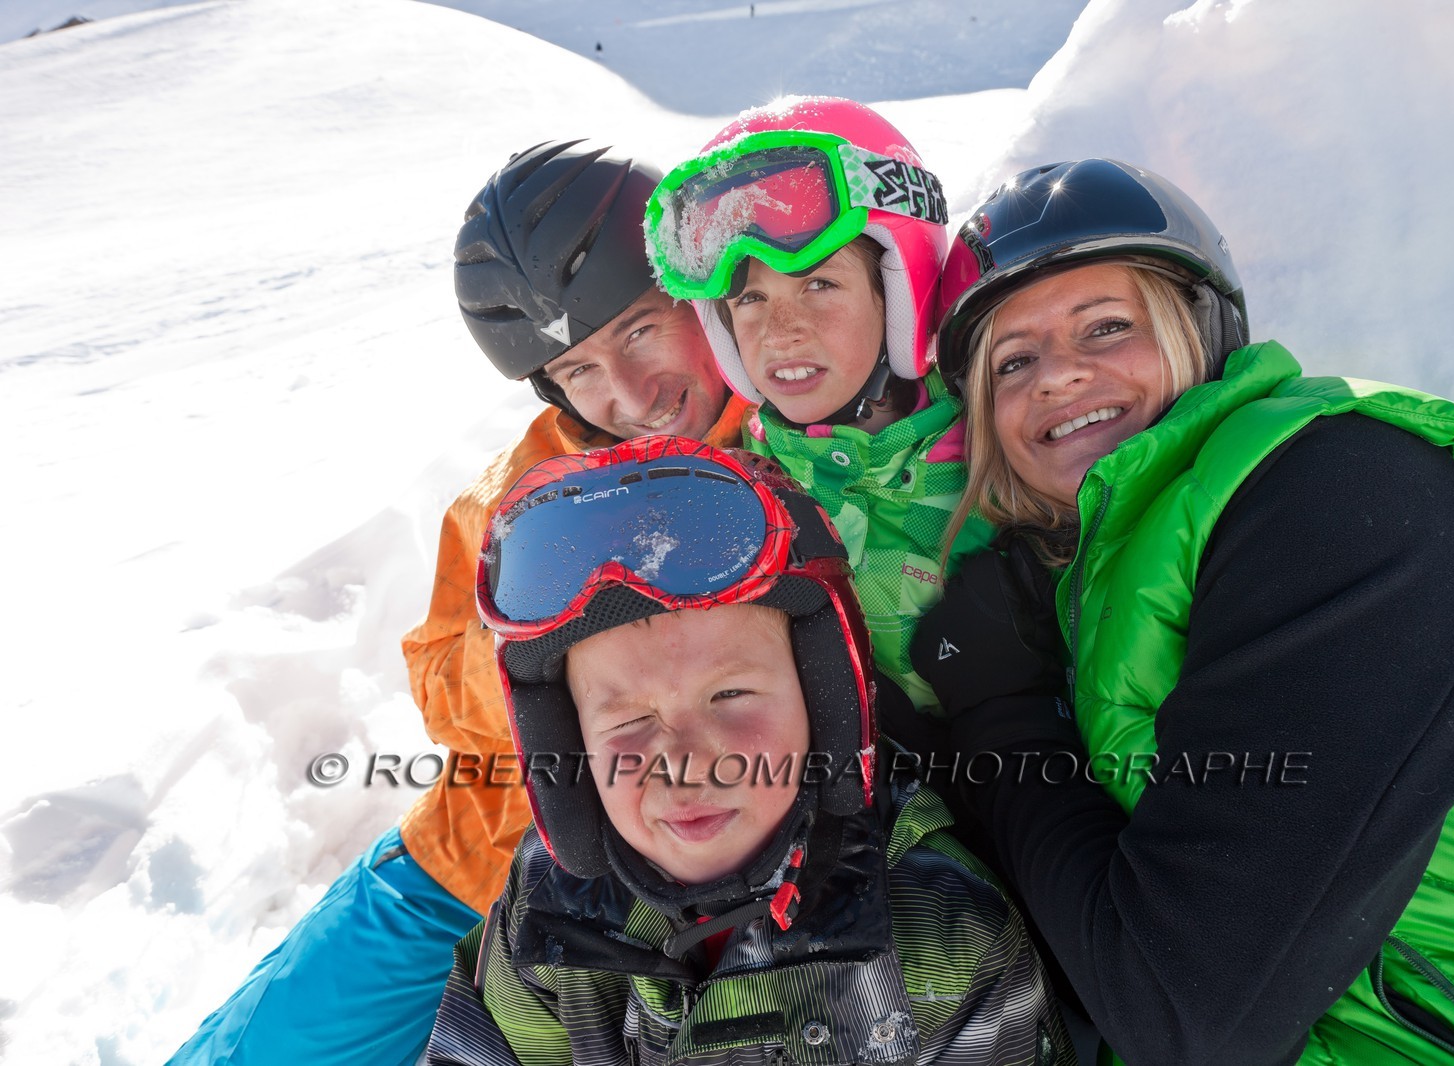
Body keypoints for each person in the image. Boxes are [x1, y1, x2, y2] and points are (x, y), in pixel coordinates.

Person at [908, 157, 1454, 1064]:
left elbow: (1187, 1012)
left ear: (1202, 333)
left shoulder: (1342, 494)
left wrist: (1005, 714)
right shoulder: (1107, 587)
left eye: (1107, 326)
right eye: (1014, 361)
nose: (1058, 376)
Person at [169, 141, 747, 1066]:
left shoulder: (794, 438)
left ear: (700, 295)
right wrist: (543, 626)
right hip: (477, 857)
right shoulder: (522, 492)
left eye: (640, 331)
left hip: (693, 874)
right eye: (580, 371)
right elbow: (442, 688)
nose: (631, 395)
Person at [424, 436, 1071, 1065]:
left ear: (823, 704)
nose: (684, 764)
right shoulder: (550, 905)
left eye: (730, 695)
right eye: (630, 720)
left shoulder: (946, 935)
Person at [644, 96, 993, 714]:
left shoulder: (998, 462)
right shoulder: (733, 497)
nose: (780, 333)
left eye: (820, 284)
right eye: (750, 300)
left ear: (900, 292)